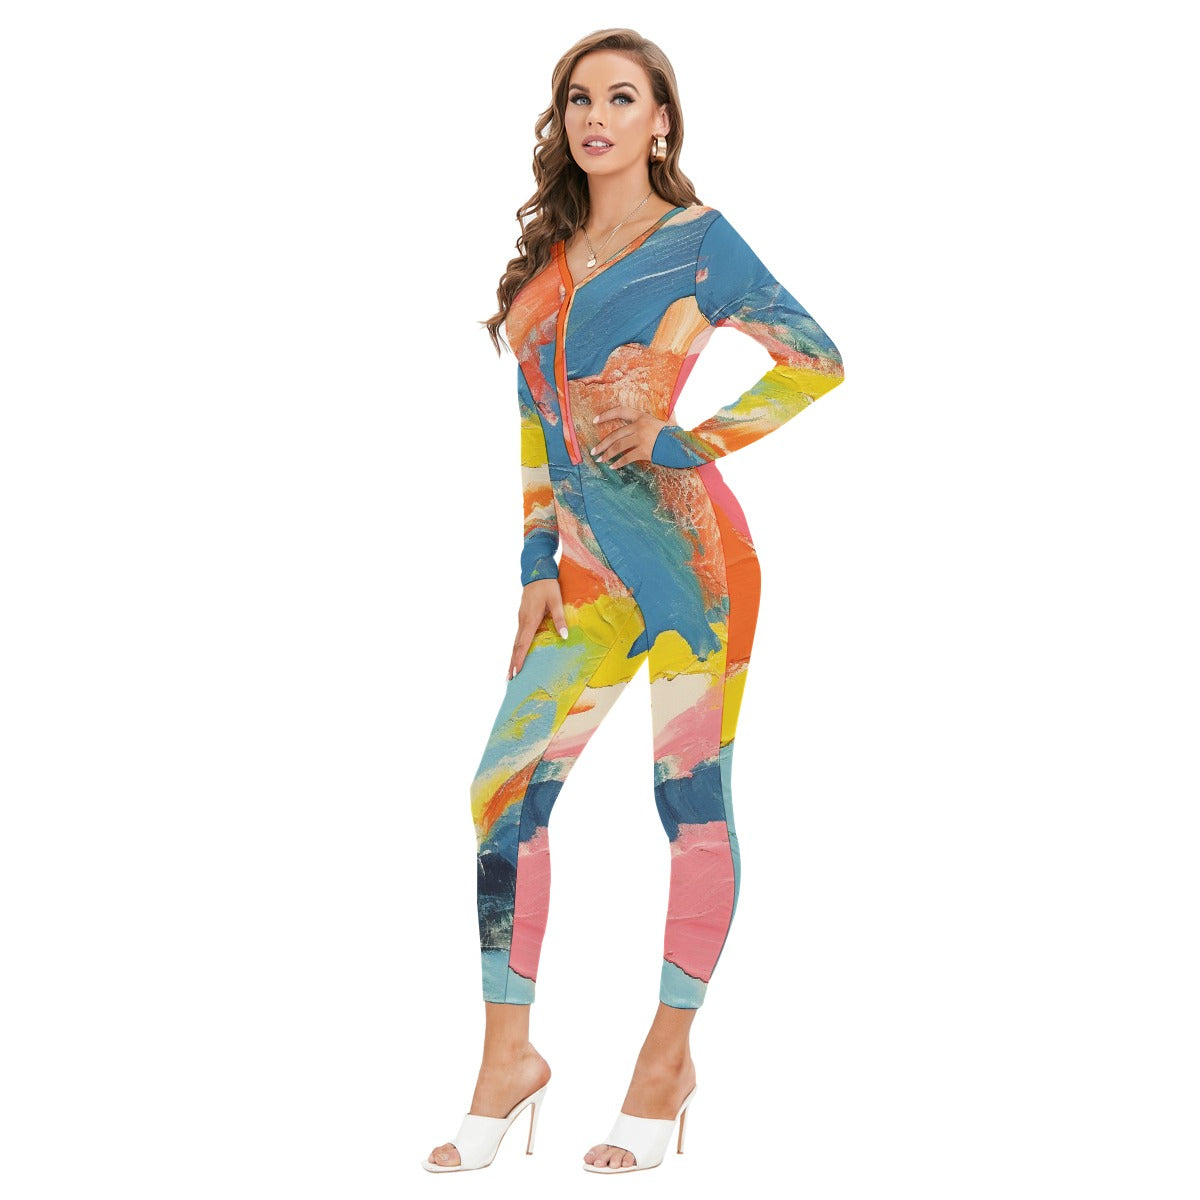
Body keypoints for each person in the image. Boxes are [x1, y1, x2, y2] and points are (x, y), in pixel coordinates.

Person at [422, 27, 844, 1174]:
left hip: (698, 566)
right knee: (502, 791)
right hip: (584, 580)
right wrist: (531, 571)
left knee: (688, 802)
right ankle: (508, 1058)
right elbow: (535, 435)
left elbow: (814, 358)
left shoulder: (698, 242)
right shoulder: (546, 269)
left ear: (661, 120)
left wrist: (689, 439)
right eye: (577, 99)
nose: (595, 117)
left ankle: (667, 1057)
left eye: (621, 98)